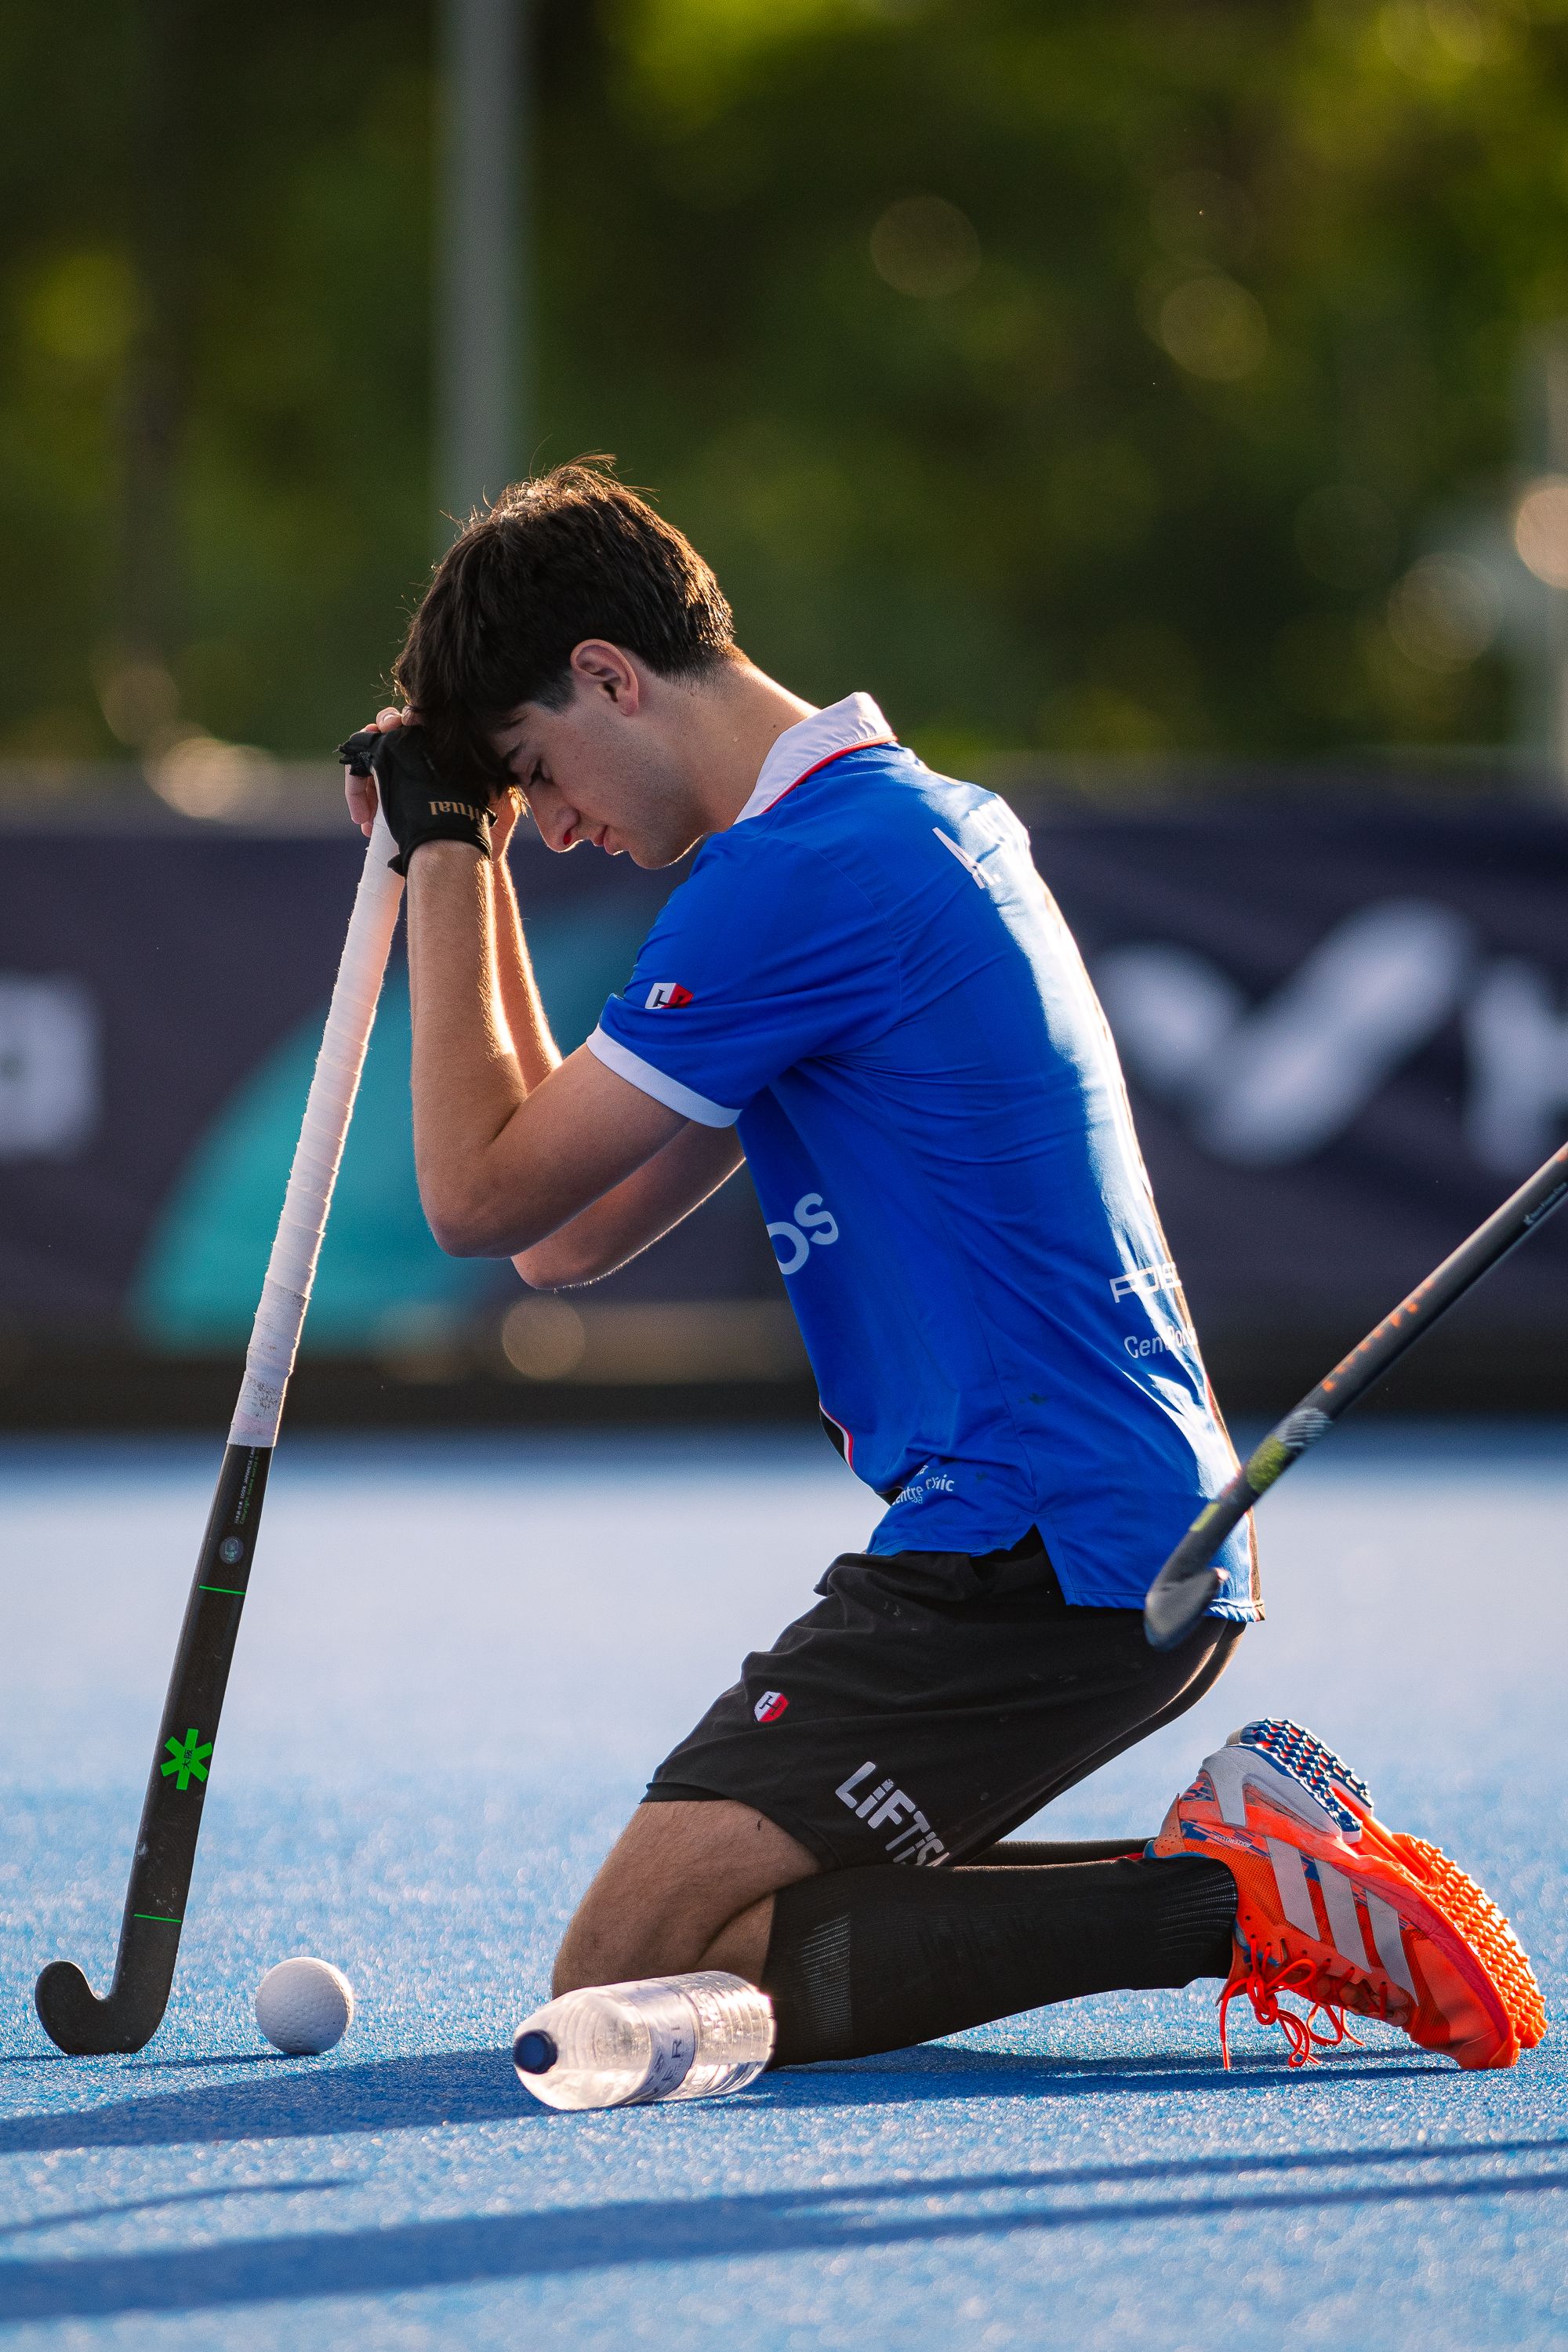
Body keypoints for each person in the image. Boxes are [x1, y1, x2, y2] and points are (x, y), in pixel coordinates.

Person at [341, 461, 1541, 2074]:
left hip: (1034, 1540)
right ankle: (1239, 1872)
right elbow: (562, 1237)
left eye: (535, 772)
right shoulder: (875, 830)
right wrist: (462, 849)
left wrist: (441, 858)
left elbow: (473, 1199)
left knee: (624, 1968)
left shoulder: (803, 878)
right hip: (1078, 1529)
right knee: (669, 1962)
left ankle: (1226, 1901)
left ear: (612, 680)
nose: (548, 827)